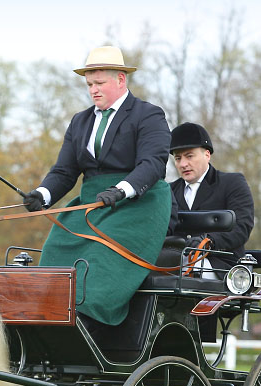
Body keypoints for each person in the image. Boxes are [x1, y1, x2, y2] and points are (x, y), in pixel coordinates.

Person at [23, 45, 171, 326]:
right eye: (89, 84)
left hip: (138, 205)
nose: (93, 90)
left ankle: (90, 321)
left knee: (100, 259)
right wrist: (42, 195)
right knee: (55, 246)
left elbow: (152, 164)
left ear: (120, 80)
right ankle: (49, 316)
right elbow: (65, 171)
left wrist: (122, 190)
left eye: (100, 83)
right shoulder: (80, 121)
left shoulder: (148, 115)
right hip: (92, 202)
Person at [169, 122, 254, 270]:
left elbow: (242, 226)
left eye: (189, 156)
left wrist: (209, 241)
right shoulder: (169, 191)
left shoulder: (232, 183)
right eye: (178, 158)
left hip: (221, 265)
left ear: (207, 154)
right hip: (174, 262)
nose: (183, 164)